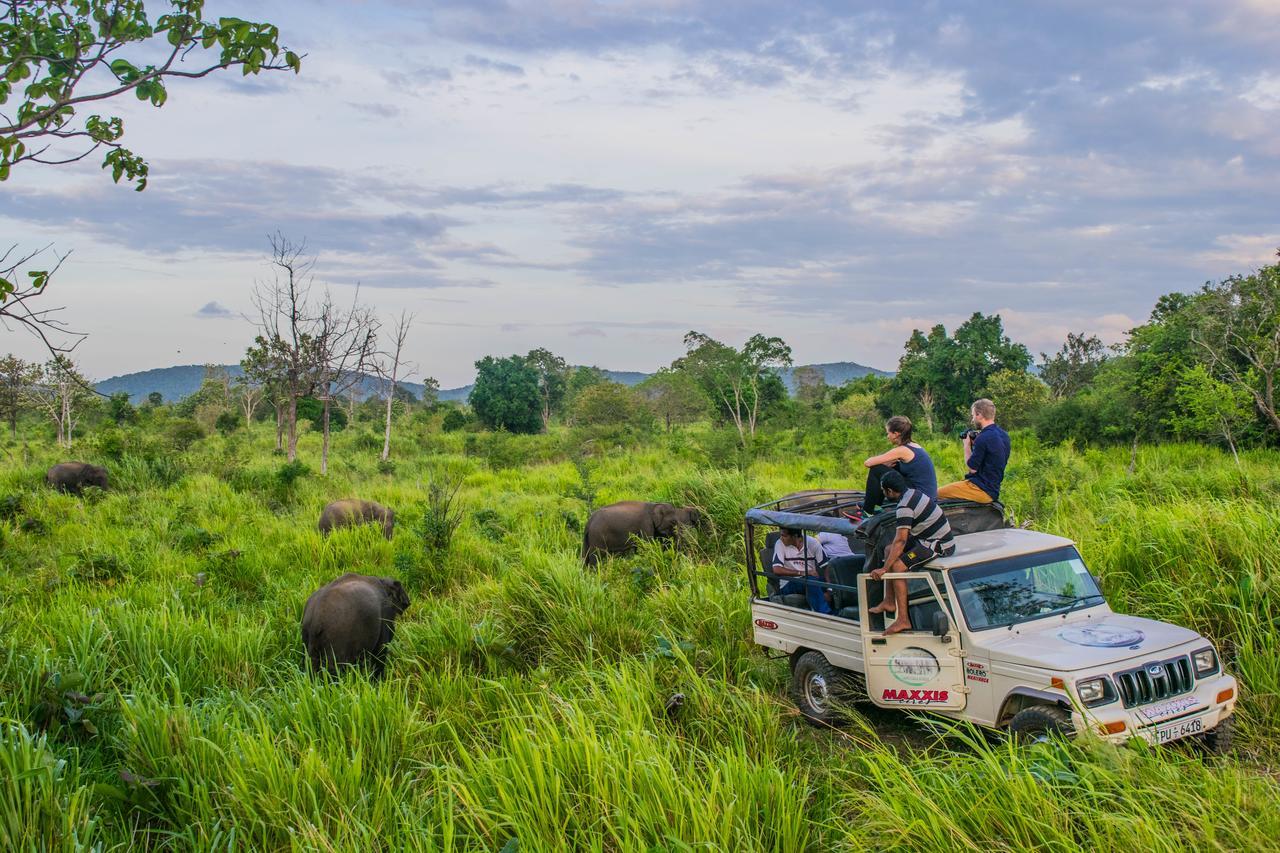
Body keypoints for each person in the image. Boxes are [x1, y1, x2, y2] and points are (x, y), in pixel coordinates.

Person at [867, 470, 955, 634]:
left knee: (898, 567)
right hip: (924, 536)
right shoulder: (913, 493)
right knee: (888, 550)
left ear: (890, 491)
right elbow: (897, 543)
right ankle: (889, 600)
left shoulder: (904, 507)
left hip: (937, 544)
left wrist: (884, 569)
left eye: (884, 491)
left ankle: (903, 620)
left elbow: (900, 540)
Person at [860, 415, 938, 515]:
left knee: (876, 469)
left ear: (896, 434)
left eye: (888, 433)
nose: (887, 436)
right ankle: (875, 505)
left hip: (921, 498)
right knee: (894, 466)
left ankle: (868, 511)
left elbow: (868, 463)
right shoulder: (913, 445)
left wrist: (883, 464)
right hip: (925, 495)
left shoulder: (902, 450)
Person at [937, 398, 1010, 504]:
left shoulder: (983, 437)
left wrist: (966, 445)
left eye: (973, 415)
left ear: (979, 415)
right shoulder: (1004, 435)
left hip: (980, 489)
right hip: (994, 489)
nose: (972, 420)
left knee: (934, 494)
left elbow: (972, 469)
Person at [772, 527, 833, 615]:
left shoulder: (812, 543)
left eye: (784, 535)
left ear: (795, 536)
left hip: (811, 579)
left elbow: (826, 567)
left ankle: (844, 614)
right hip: (790, 583)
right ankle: (825, 614)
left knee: (835, 583)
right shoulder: (780, 543)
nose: (781, 538)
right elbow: (777, 569)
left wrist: (829, 590)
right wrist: (803, 572)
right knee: (811, 581)